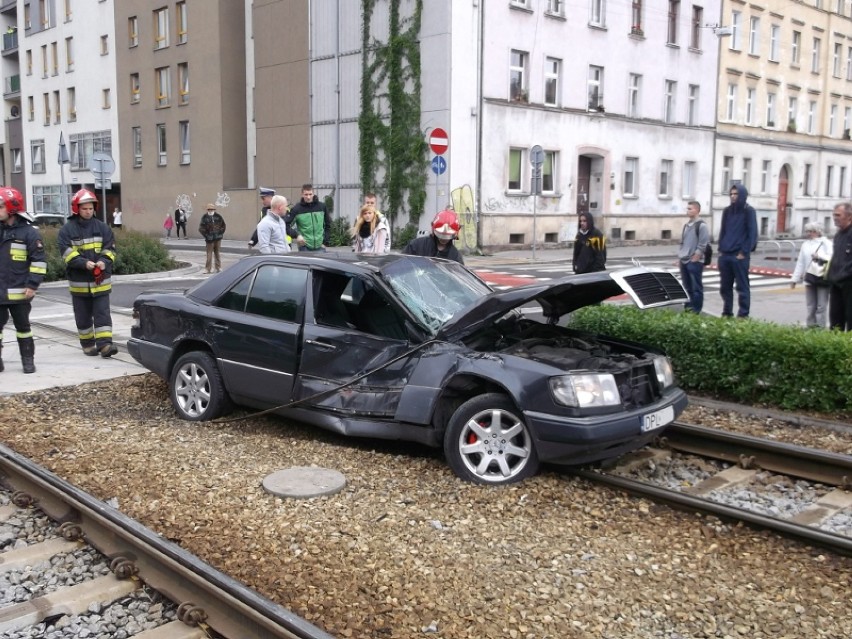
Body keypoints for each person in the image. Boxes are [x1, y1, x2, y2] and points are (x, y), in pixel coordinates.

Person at [57, 189, 118, 358]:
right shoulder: (66, 231)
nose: (88, 211)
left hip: (101, 283)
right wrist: (85, 264)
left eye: (91, 208)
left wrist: (103, 262)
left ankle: (105, 345)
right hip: (80, 285)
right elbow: (67, 254)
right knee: (83, 317)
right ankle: (88, 344)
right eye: (85, 209)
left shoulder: (103, 228)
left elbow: (111, 249)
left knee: (102, 315)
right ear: (77, 209)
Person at [0, 187, 45, 374]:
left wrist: (32, 284)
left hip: (20, 291)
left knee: (23, 328)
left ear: (11, 208)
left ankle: (28, 361)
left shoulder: (29, 233)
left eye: (0, 205)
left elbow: (39, 261)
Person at [717, 183, 758, 318]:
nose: (733, 197)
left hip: (739, 255)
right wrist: (721, 249)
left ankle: (743, 314)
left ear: (742, 195)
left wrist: (744, 252)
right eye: (731, 194)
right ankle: (727, 312)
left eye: (736, 194)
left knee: (742, 287)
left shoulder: (749, 211)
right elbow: (723, 230)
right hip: (726, 254)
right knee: (725, 287)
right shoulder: (727, 211)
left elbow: (752, 234)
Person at [790, 222, 832, 328]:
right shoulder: (805, 244)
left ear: (818, 232)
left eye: (811, 231)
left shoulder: (826, 243)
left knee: (821, 306)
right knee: (810, 306)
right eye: (807, 231)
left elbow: (832, 257)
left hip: (822, 277)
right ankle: (811, 327)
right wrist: (794, 279)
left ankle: (820, 329)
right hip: (809, 277)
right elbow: (801, 262)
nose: (809, 233)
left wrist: (819, 256)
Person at [677, 201, 710, 313]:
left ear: (697, 210)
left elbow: (703, 244)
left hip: (694, 262)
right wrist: (680, 257)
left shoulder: (702, 225)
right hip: (684, 261)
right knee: (687, 288)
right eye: (687, 208)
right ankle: (688, 308)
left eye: (690, 208)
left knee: (696, 288)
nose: (687, 210)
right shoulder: (686, 225)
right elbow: (683, 242)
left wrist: (696, 257)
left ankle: (696, 310)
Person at [827, 201, 852, 330]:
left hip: (849, 283)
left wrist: (846, 273)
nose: (835, 218)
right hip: (836, 283)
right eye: (833, 215)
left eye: (838, 215)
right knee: (836, 320)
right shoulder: (838, 235)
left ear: (849, 217)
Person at [286, 183, 331, 252]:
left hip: (320, 247)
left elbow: (328, 225)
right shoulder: (297, 209)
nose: (308, 197)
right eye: (306, 194)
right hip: (304, 247)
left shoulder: (322, 207)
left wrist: (325, 241)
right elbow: (286, 225)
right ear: (302, 194)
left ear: (313, 194)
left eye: (310, 194)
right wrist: (297, 235)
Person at [198, 203, 227, 273]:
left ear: (214, 209)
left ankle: (218, 267)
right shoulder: (204, 217)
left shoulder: (218, 216)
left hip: (218, 238)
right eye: (209, 209)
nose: (210, 210)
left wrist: (220, 233)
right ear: (207, 210)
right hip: (209, 240)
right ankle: (208, 268)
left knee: (217, 253)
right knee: (209, 254)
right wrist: (207, 235)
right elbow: (201, 228)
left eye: (211, 209)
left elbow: (223, 226)